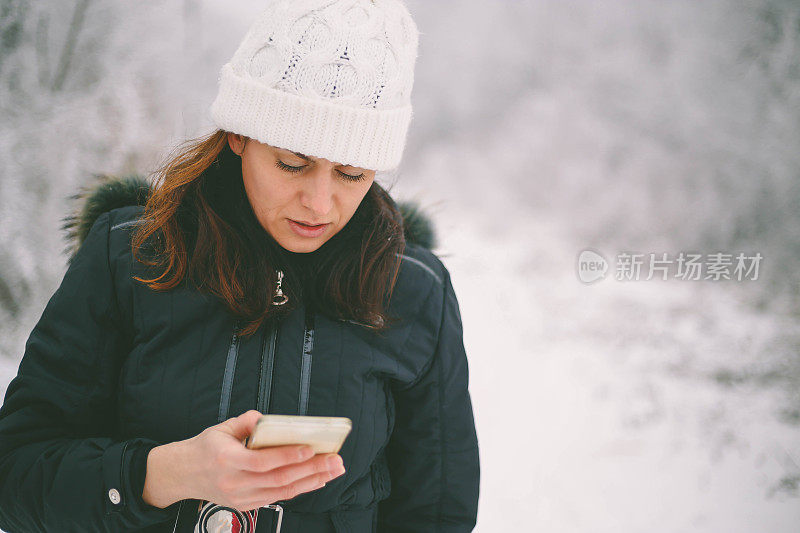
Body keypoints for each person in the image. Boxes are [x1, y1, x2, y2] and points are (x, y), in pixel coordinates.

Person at [0, 1, 480, 532]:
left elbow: (436, 516)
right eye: (292, 164)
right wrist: (162, 475)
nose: (319, 204)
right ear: (239, 134)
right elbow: (15, 475)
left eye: (351, 173)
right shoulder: (129, 257)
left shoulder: (413, 292)